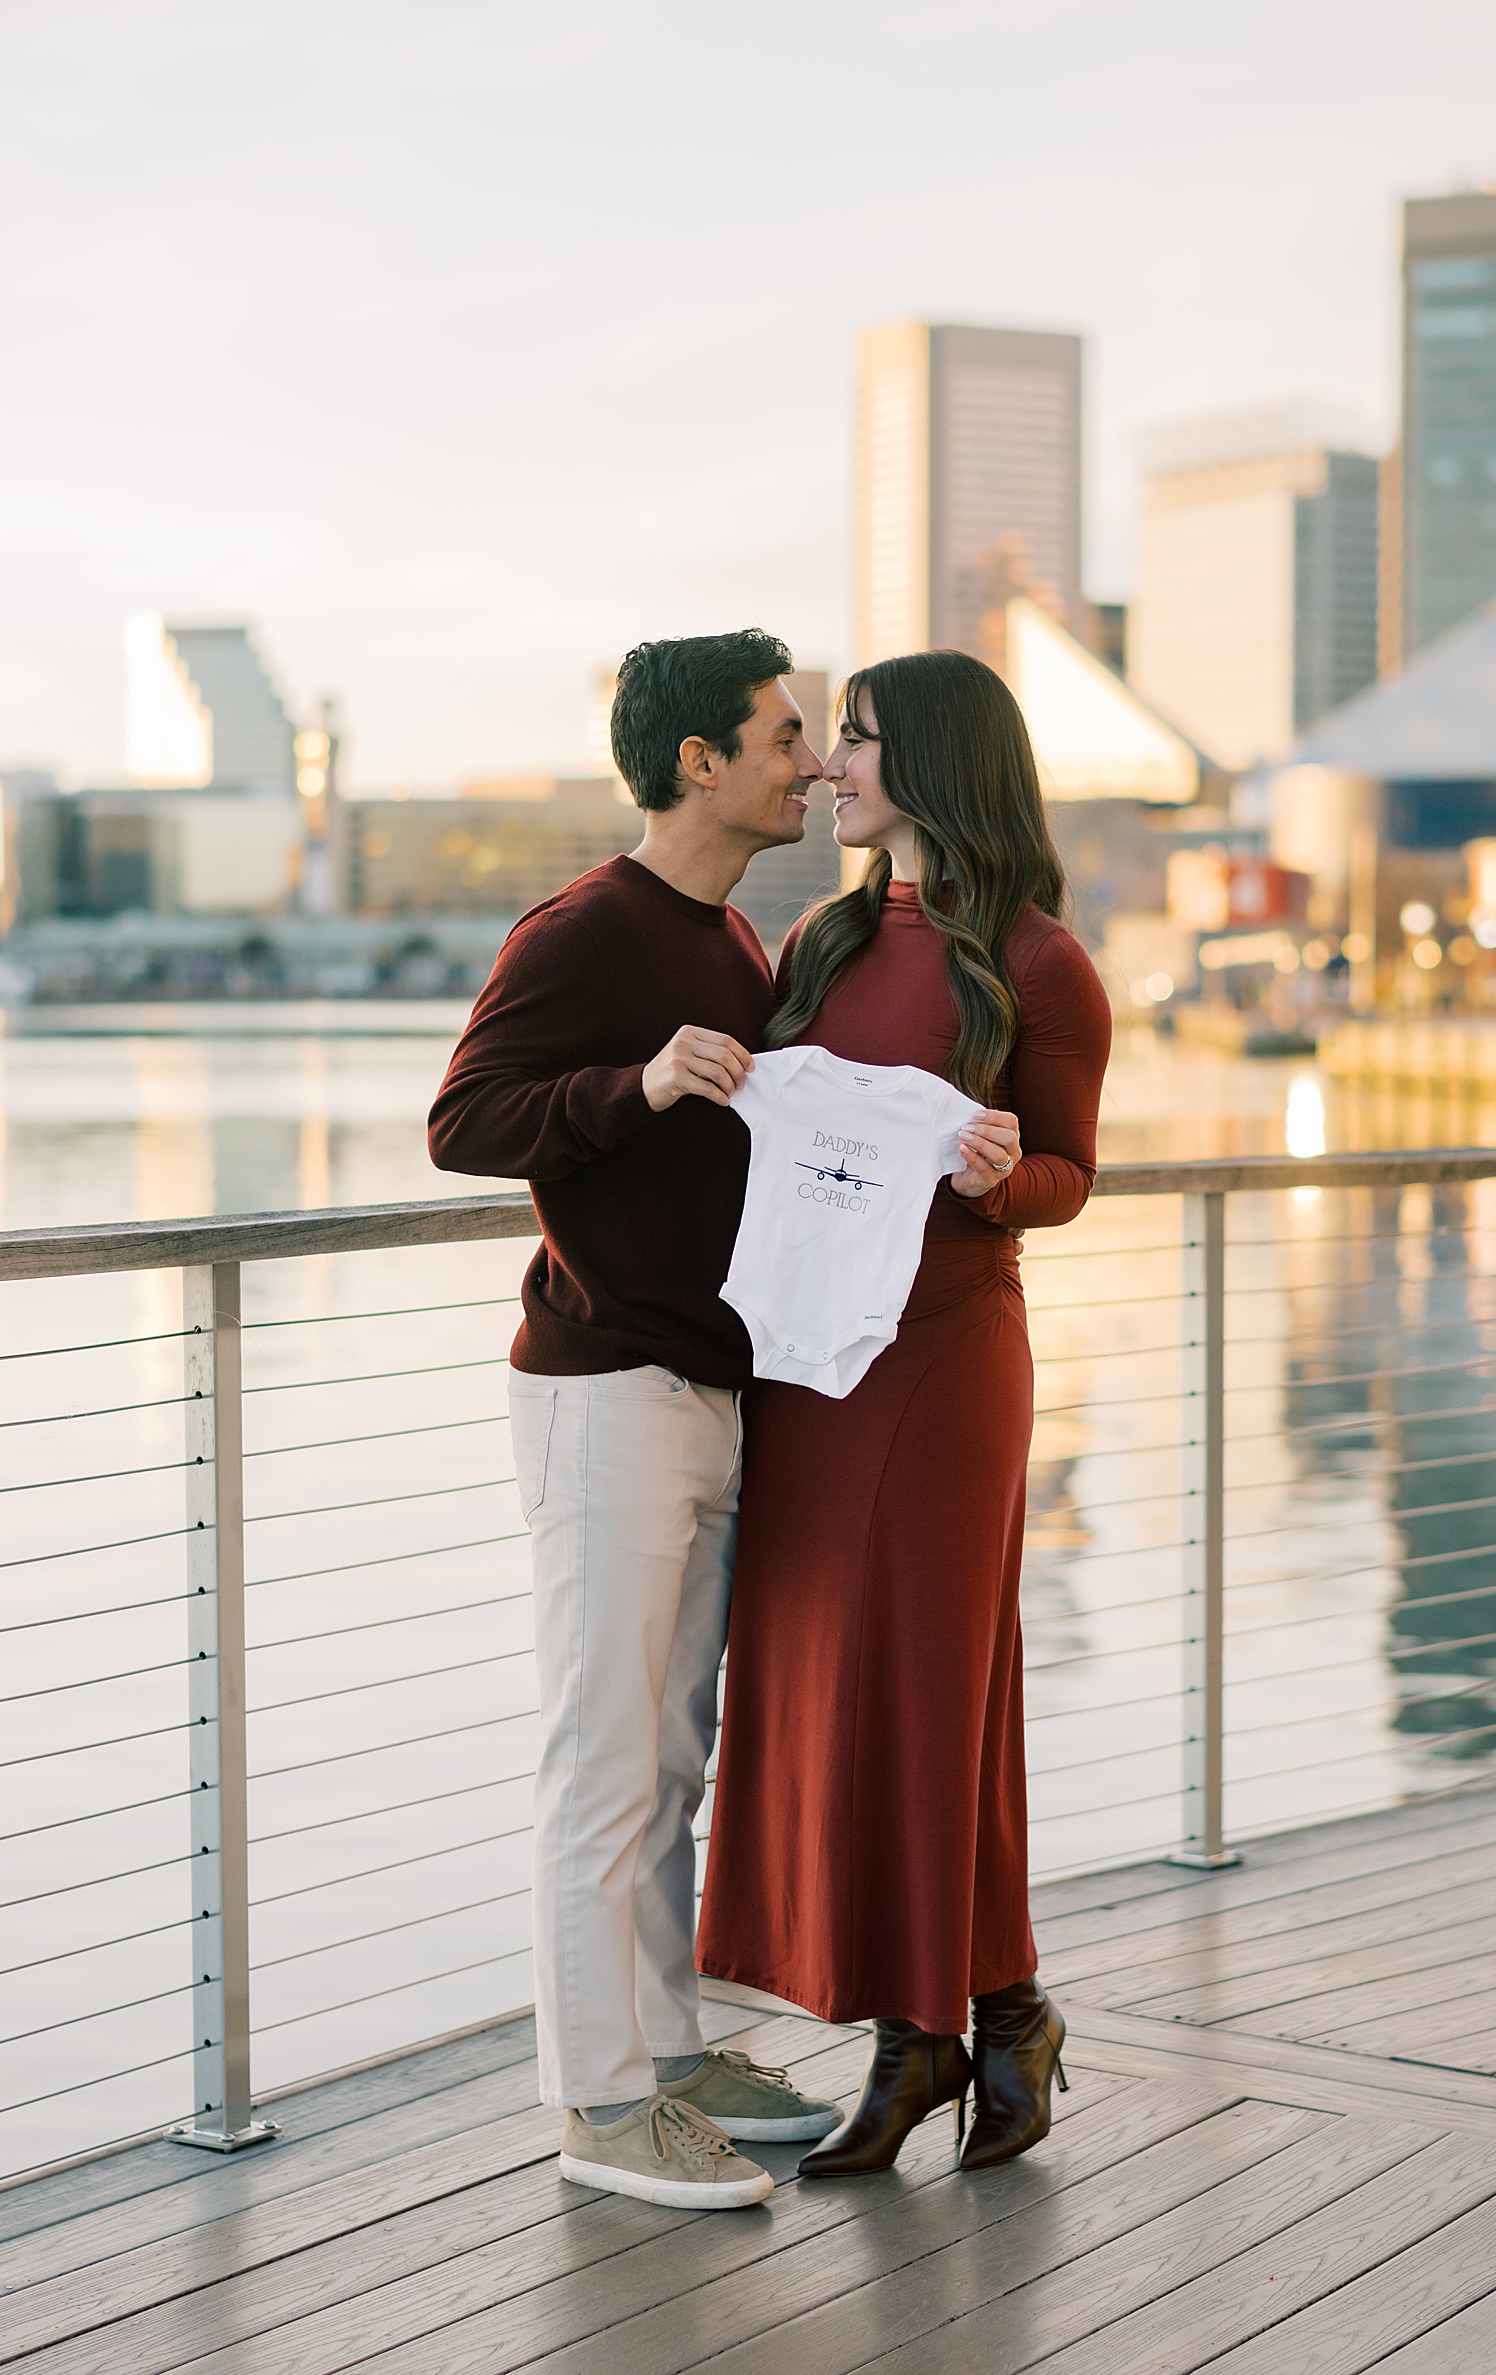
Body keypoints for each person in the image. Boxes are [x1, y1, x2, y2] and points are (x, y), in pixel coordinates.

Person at [427, 629, 843, 2212]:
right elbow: (467, 1120)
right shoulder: (588, 929)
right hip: (604, 1394)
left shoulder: (739, 940)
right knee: (604, 1761)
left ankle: (665, 2059)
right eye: (786, 734)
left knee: (670, 1755)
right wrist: (642, 1086)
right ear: (701, 762)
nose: (809, 761)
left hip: (712, 1389)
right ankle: (598, 2111)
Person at [696, 647, 1112, 2176]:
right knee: (834, 1687)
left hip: (942, 1371)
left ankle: (921, 2036)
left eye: (857, 740)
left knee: (931, 1698)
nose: (829, 767)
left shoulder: (1040, 963)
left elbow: (1071, 1177)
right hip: (809, 1368)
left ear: (930, 764)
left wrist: (1007, 1172)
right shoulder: (810, 942)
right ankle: (986, 2019)